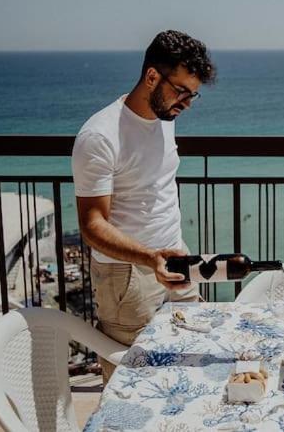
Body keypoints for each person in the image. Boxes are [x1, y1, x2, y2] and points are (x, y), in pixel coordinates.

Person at [72, 30, 216, 382]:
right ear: (152, 76)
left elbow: (155, 190)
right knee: (135, 381)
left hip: (174, 260)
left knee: (190, 368)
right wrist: (149, 258)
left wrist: (169, 255)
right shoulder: (100, 136)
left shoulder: (163, 119)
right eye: (181, 91)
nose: (186, 104)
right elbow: (92, 225)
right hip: (127, 277)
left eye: (193, 96)